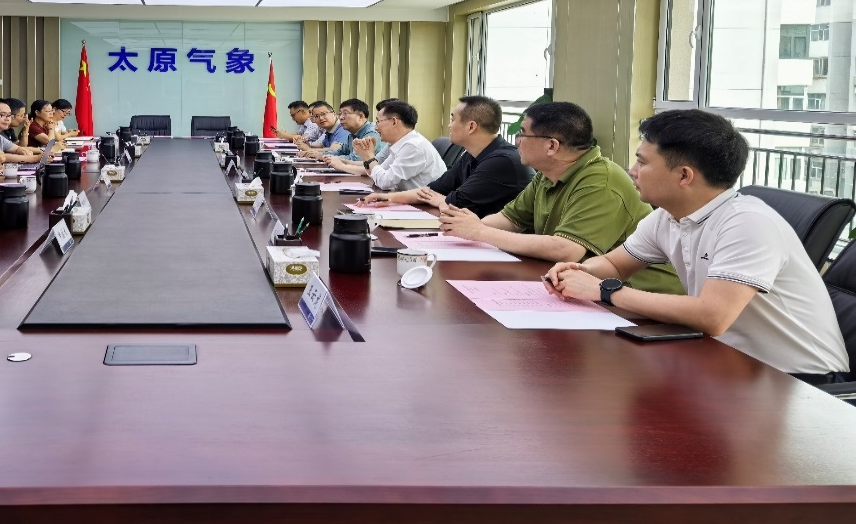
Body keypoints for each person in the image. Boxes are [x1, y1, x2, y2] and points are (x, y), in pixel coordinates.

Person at [543, 110, 848, 380]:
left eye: (642, 161)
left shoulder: (748, 223)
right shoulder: (668, 217)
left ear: (684, 175)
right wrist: (578, 272)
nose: (632, 170)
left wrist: (605, 291)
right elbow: (615, 264)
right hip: (729, 363)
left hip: (801, 381)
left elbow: (712, 316)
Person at [439, 102, 682, 294]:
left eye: (523, 134)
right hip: (581, 284)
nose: (517, 141)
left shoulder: (602, 181)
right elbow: (510, 219)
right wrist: (465, 228)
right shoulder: (548, 174)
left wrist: (480, 232)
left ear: (552, 146)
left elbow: (567, 250)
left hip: (637, 296)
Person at [363, 95, 532, 217]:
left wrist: (442, 200)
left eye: (453, 120)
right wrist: (389, 197)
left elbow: (455, 203)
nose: (449, 125)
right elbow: (433, 190)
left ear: (471, 127)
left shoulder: (502, 161)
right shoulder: (470, 155)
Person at [351, 100, 445, 191]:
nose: (375, 127)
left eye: (378, 121)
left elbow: (384, 182)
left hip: (422, 202)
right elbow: (378, 175)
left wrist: (369, 157)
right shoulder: (400, 143)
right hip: (407, 198)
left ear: (394, 122)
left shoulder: (413, 146)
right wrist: (366, 155)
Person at [322, 98, 386, 165]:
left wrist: (331, 158)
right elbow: (340, 152)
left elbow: (358, 159)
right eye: (340, 114)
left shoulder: (372, 132)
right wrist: (322, 155)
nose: (341, 117)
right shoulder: (352, 134)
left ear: (361, 116)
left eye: (345, 113)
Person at [0, 98, 43, 163]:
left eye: (9, 115)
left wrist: (24, 151)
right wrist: (35, 158)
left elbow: (17, 148)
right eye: (2, 115)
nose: (7, 119)